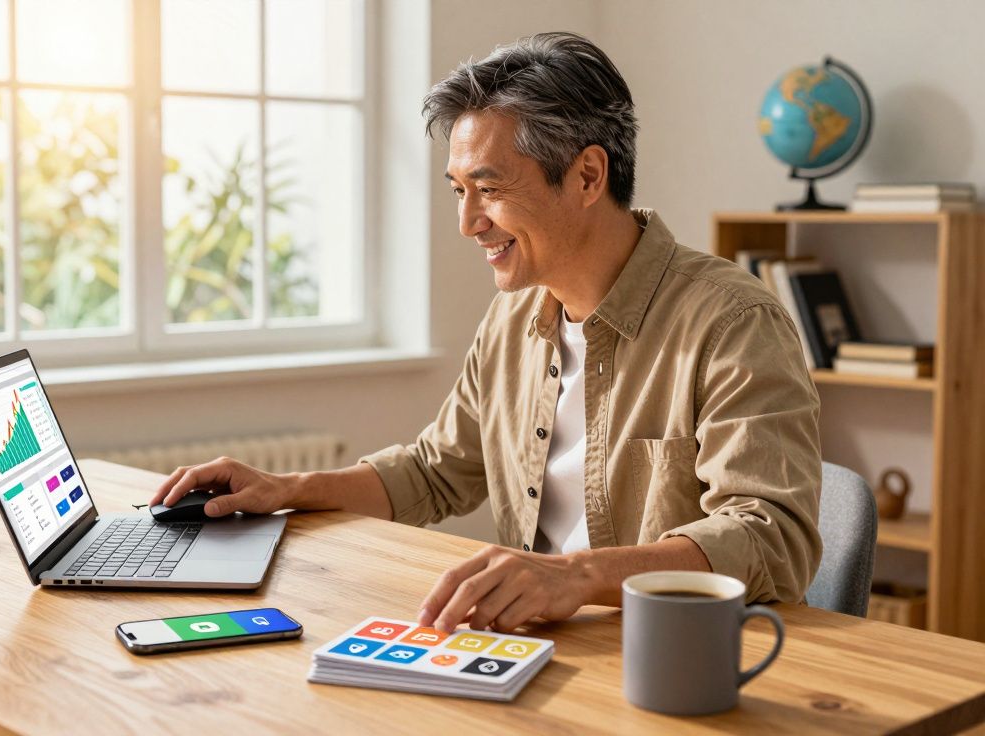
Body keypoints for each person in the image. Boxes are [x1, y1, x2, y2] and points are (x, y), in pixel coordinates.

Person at [149, 32, 822, 634]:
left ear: (588, 175)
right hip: (538, 650)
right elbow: (436, 471)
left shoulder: (733, 322)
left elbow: (770, 538)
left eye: (489, 189)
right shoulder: (515, 317)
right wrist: (287, 491)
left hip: (676, 660)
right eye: (457, 191)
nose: (468, 222)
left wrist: (576, 576)